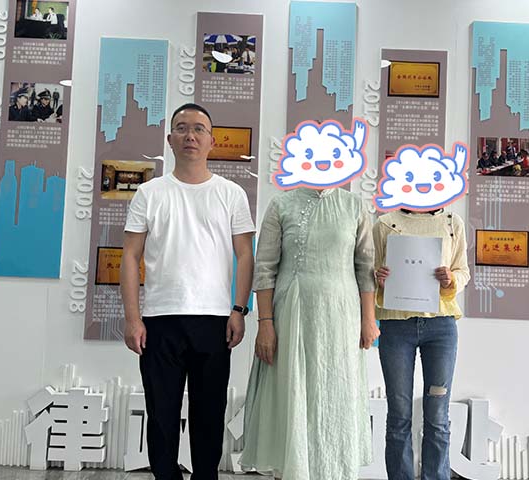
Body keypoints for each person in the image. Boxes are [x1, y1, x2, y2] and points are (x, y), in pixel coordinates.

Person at [120, 103, 255, 480]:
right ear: (169, 139)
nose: (190, 136)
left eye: (198, 129)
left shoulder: (231, 193)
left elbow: (245, 255)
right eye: (181, 128)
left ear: (212, 141)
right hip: (160, 318)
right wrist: (132, 319)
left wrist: (239, 309)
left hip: (214, 319)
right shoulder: (150, 192)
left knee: (209, 413)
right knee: (161, 413)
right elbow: (130, 256)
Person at [240, 187, 380, 479]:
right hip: (292, 316)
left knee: (335, 396)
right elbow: (265, 268)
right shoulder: (281, 204)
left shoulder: (354, 205)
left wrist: (369, 319)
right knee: (292, 395)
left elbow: (366, 267)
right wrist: (265, 322)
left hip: (341, 319)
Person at [373, 207, 470, 480]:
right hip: (396, 325)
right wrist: (378, 277)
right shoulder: (385, 223)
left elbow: (463, 270)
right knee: (399, 414)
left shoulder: (452, 222)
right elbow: (369, 271)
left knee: (437, 416)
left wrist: (451, 279)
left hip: (441, 327)